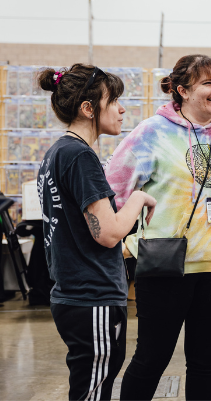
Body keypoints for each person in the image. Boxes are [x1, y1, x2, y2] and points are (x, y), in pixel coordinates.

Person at [105, 55, 211, 401]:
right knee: (151, 359)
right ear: (182, 90)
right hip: (164, 268)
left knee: (205, 362)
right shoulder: (152, 132)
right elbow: (114, 188)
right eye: (207, 83)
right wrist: (128, 240)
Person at [37, 64, 157, 401]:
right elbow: (108, 233)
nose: (121, 110)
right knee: (92, 390)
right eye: (114, 101)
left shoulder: (57, 154)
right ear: (88, 109)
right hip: (91, 297)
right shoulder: (79, 156)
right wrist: (137, 197)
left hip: (75, 295)